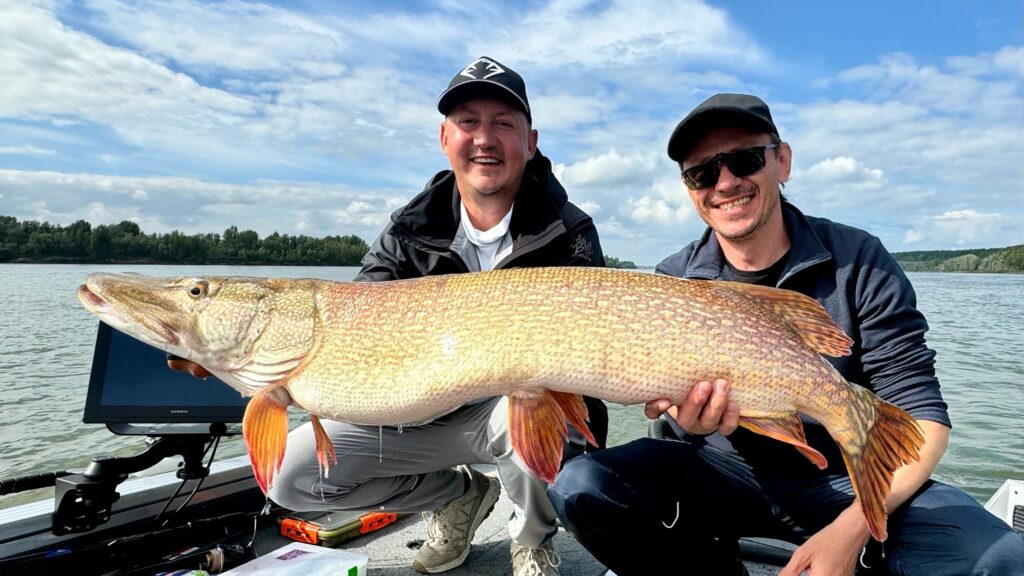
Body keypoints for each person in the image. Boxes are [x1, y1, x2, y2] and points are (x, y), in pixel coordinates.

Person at [548, 93, 1024, 575]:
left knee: (1003, 560)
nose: (726, 182)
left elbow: (921, 417)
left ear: (782, 161)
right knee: (582, 485)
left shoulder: (858, 259)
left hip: (842, 478)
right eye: (702, 172)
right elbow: (664, 403)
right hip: (719, 472)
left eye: (745, 159)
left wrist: (854, 526)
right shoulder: (675, 279)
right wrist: (691, 422)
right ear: (690, 189)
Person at [172, 56, 607, 576]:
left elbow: (588, 364)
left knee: (528, 402)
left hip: (508, 413)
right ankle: (458, 496)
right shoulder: (408, 229)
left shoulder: (568, 230)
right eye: (468, 123)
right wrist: (248, 366)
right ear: (445, 138)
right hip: (417, 413)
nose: (484, 139)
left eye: (503, 124)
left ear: (530, 142)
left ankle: (531, 539)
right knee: (291, 475)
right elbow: (358, 313)